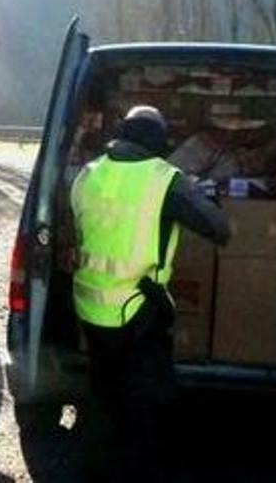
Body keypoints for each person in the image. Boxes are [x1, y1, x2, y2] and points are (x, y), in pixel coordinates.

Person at [70, 106, 231, 482]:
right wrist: (204, 198)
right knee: (143, 406)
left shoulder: (88, 173)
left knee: (103, 395)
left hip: (89, 306)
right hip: (136, 312)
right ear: (158, 141)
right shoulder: (165, 180)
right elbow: (219, 229)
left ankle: (95, 468)